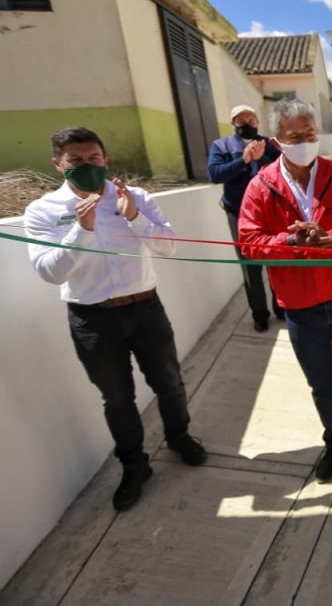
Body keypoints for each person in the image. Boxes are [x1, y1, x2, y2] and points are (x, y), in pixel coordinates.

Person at [24, 127, 207, 511]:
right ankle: (135, 466)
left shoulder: (134, 197)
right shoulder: (43, 211)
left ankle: (179, 437)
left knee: (169, 382)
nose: (87, 166)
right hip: (92, 320)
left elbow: (169, 246)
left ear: (105, 159)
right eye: (76, 160)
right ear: (59, 164)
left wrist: (135, 218)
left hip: (145, 308)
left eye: (94, 158)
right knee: (117, 398)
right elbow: (50, 272)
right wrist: (82, 229)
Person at [237, 98, 332, 481]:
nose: (305, 141)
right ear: (277, 140)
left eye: (310, 134)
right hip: (302, 306)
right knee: (321, 382)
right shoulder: (261, 187)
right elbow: (249, 243)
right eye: (295, 136)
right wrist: (288, 245)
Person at [208, 104, 283, 331]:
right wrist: (244, 160)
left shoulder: (269, 145)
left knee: (275, 261)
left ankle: (281, 307)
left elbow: (282, 170)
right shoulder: (221, 145)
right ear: (233, 123)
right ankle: (259, 314)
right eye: (241, 121)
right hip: (238, 213)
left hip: (268, 212)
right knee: (250, 265)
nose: (247, 124)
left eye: (251, 120)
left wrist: (260, 159)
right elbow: (215, 174)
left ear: (258, 122)